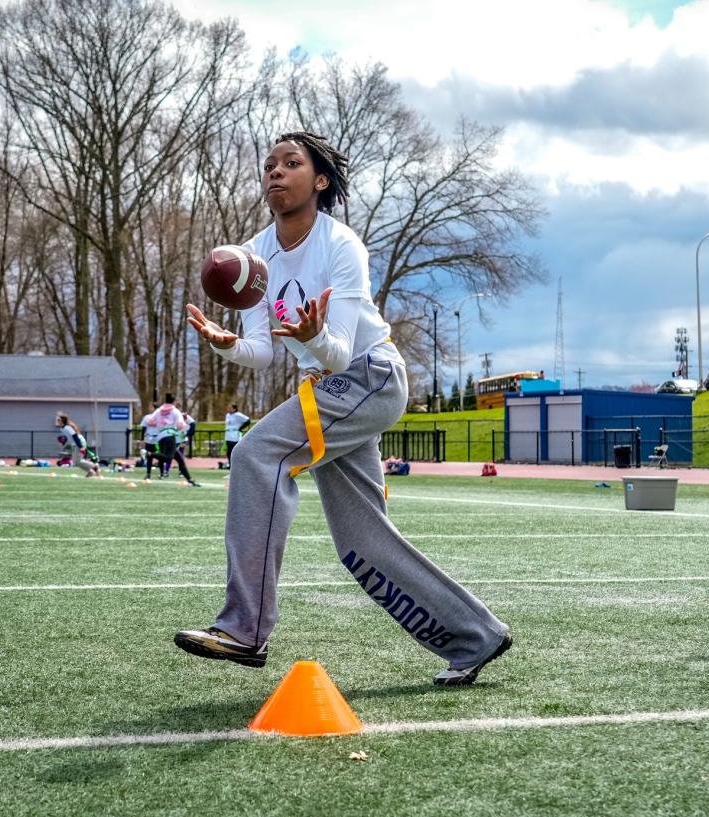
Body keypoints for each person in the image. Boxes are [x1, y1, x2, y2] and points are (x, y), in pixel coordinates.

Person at [176, 131, 510, 685]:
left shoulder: (341, 245)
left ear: (320, 180)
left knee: (258, 454)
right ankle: (475, 636)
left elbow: (341, 347)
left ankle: (244, 629)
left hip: (371, 376)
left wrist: (313, 336)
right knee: (361, 540)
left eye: (291, 164)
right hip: (327, 390)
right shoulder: (255, 255)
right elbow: (261, 352)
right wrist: (225, 342)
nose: (275, 173)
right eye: (269, 166)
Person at [145, 395, 198, 486]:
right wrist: (185, 427)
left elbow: (149, 422)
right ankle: (150, 454)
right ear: (174, 402)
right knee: (168, 458)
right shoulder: (175, 411)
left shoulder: (158, 411)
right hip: (170, 436)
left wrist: (159, 424)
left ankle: (190, 480)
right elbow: (180, 425)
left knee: (179, 459)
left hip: (161, 437)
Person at [139, 402, 164, 480]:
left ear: (154, 408)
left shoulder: (161, 417)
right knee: (149, 457)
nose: (149, 408)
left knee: (160, 457)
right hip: (149, 439)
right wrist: (142, 439)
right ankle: (148, 474)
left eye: (151, 407)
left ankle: (161, 474)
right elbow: (143, 428)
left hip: (158, 440)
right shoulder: (146, 417)